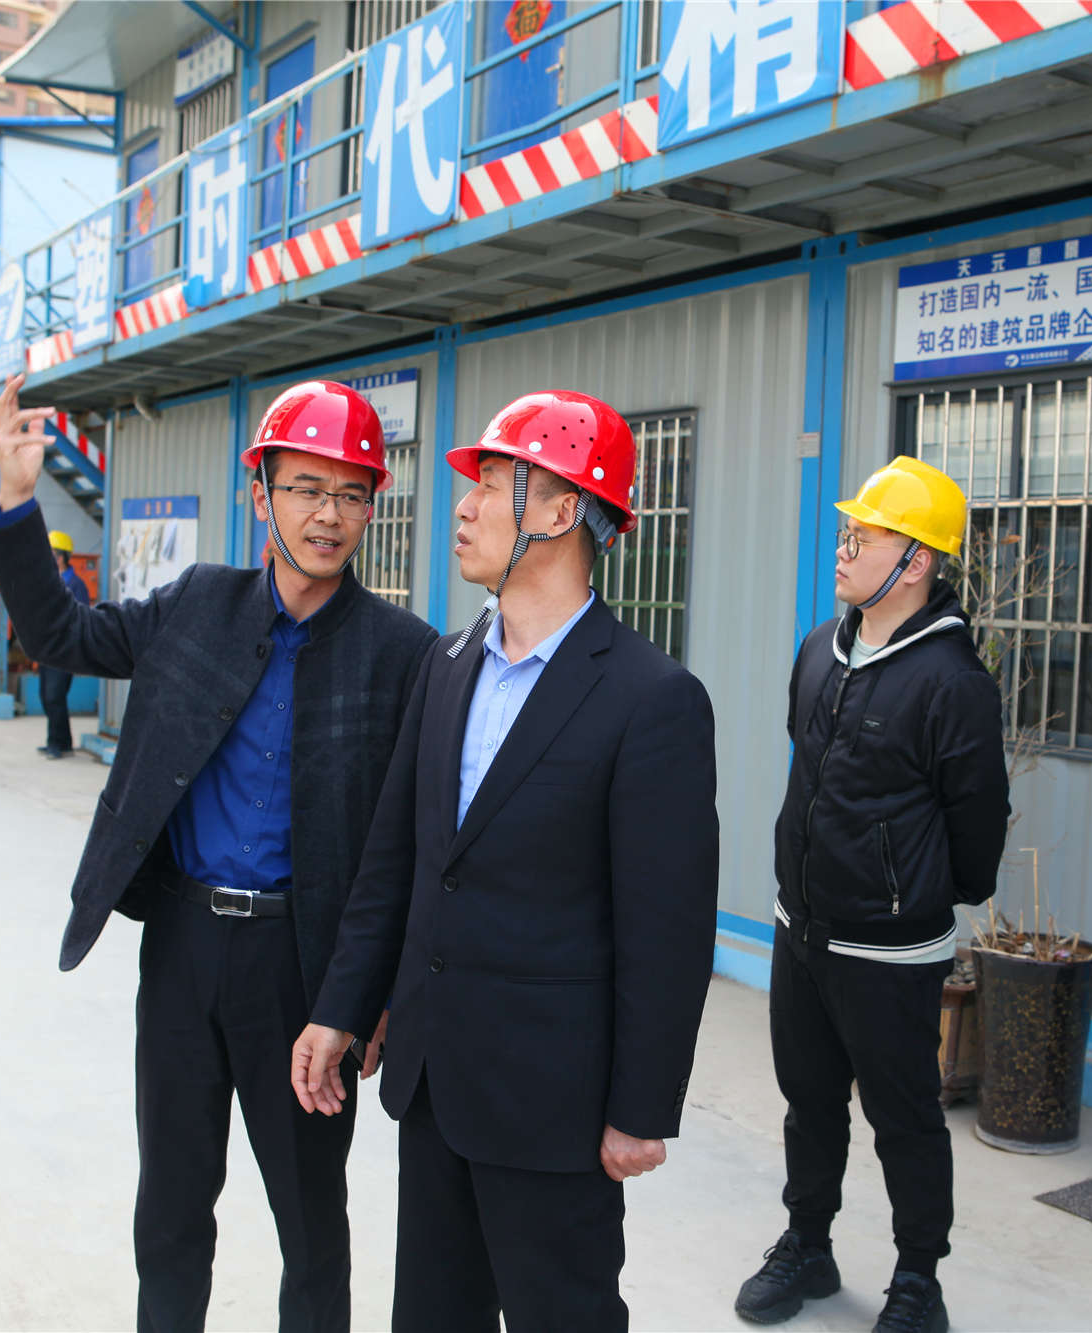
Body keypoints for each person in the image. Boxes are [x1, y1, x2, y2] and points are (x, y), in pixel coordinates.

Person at [0, 373, 437, 1333]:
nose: (328, 514)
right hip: (183, 949)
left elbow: (407, 844)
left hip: (303, 970)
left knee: (312, 1225)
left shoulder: (401, 652)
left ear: (372, 508)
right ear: (260, 491)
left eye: (351, 493)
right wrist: (19, 501)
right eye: (306, 487)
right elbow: (60, 633)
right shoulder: (197, 603)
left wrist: (372, 994)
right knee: (173, 1204)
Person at [294, 390, 720, 1333]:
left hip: (552, 1103)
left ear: (561, 510)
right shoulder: (448, 664)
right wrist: (342, 1006)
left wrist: (641, 1106)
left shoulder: (651, 698)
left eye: (491, 483)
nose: (464, 505)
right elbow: (397, 861)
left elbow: (669, 931)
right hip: (433, 1079)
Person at [739, 457, 1010, 1333]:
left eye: (864, 537)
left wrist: (916, 892)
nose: (843, 549)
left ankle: (918, 1280)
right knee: (809, 1101)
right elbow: (808, 755)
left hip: (889, 949)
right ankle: (807, 1244)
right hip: (802, 928)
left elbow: (978, 824)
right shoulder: (822, 645)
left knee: (905, 1119)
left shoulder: (953, 681)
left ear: (917, 562)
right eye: (847, 533)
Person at [36, 528, 91, 759]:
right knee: (46, 695)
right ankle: (64, 742)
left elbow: (82, 617)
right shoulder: (49, 582)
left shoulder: (76, 585)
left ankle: (55, 744)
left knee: (54, 696)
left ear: (60, 557)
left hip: (64, 649)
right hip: (47, 648)